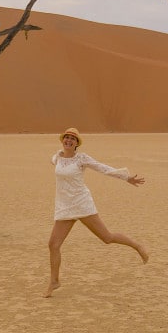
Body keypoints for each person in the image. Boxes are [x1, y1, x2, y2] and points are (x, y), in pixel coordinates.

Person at [44, 128, 149, 298]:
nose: (69, 140)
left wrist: (126, 177)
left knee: (106, 238)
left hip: (82, 204)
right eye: (67, 138)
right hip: (64, 206)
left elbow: (102, 168)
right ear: (62, 140)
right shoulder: (57, 157)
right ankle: (54, 281)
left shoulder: (81, 158)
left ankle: (138, 246)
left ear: (77, 143)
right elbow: (53, 162)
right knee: (53, 245)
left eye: (73, 139)